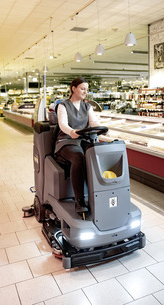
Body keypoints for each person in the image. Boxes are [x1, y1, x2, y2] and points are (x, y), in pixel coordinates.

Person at [54, 77, 99, 213]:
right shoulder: (63, 105)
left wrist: (102, 128)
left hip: (83, 140)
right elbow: (63, 124)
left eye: (87, 89)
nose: (85, 91)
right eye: (82, 88)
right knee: (78, 156)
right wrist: (71, 131)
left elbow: (94, 122)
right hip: (66, 141)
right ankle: (79, 201)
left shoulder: (87, 106)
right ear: (73, 89)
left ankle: (97, 194)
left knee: (96, 154)